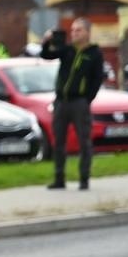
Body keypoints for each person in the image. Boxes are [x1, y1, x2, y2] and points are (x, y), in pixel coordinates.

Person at [40, 19, 105, 191]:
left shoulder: (94, 53)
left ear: (87, 33)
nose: (74, 33)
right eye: (73, 30)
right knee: (59, 141)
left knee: (84, 141)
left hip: (79, 103)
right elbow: (46, 55)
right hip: (61, 102)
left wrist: (86, 99)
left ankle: (84, 179)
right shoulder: (67, 50)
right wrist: (46, 41)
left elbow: (97, 79)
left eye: (79, 30)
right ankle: (59, 178)